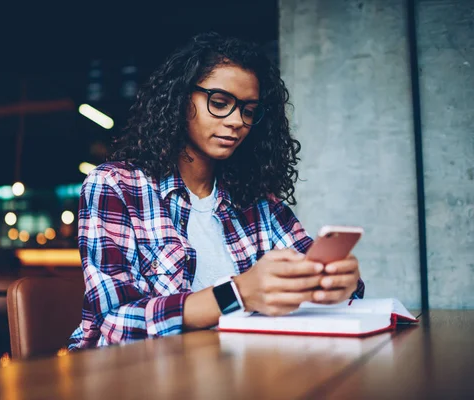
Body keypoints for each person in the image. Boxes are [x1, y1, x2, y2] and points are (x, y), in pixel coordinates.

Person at [68, 32, 364, 350]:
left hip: (236, 368)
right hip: (134, 376)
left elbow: (312, 272)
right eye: (220, 103)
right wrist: (236, 294)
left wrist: (338, 283)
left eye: (249, 111)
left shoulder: (257, 200)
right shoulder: (116, 186)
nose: (237, 121)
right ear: (180, 99)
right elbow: (115, 322)